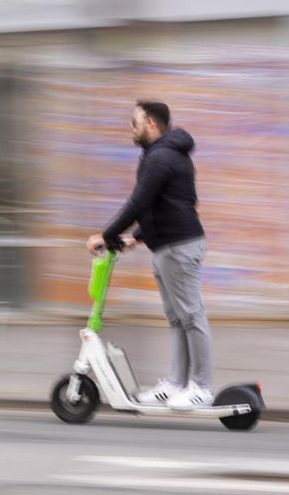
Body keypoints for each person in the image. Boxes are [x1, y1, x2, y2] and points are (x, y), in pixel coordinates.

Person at [86, 101, 213, 411]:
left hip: (179, 248)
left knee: (191, 316)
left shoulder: (162, 156)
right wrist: (137, 238)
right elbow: (170, 203)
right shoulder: (163, 155)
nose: (132, 128)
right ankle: (175, 383)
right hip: (166, 246)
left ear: (152, 125)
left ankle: (201, 387)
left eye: (135, 122)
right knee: (177, 319)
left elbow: (139, 202)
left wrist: (106, 233)